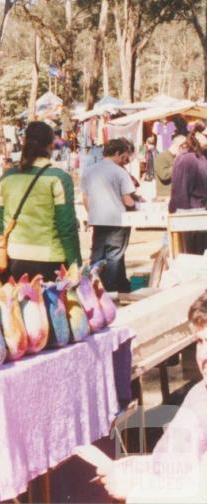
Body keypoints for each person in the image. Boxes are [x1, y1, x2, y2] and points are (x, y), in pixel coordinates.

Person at [96, 290, 207, 502]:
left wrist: (134, 492)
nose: (204, 356)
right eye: (200, 342)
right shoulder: (200, 393)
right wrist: (139, 465)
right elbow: (179, 462)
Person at [0, 121, 82, 281]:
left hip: (13, 258)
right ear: (51, 144)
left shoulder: (6, 177)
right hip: (50, 259)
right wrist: (75, 263)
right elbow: (67, 226)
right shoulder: (59, 178)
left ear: (24, 142)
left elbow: (0, 223)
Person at [81, 139, 137, 293]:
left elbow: (85, 198)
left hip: (97, 219)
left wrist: (92, 213)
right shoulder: (120, 172)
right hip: (117, 220)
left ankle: (93, 288)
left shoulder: (89, 170)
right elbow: (128, 199)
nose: (125, 160)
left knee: (97, 257)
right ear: (118, 153)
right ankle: (110, 291)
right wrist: (136, 207)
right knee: (114, 257)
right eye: (124, 156)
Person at [169, 124, 207, 254]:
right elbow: (180, 191)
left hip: (201, 213)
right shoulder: (186, 158)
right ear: (198, 134)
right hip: (191, 214)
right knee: (193, 255)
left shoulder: (201, 156)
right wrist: (182, 217)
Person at [155, 135, 187, 201]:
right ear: (180, 146)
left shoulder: (178, 157)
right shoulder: (161, 157)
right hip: (165, 196)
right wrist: (177, 163)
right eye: (185, 148)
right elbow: (164, 175)